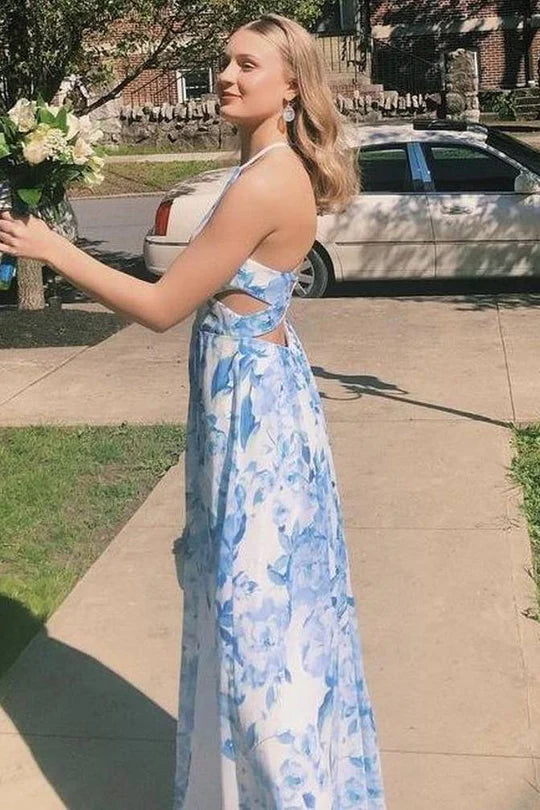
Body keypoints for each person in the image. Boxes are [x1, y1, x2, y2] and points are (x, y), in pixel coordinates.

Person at [0, 13, 387, 809]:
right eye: (223, 61)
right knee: (250, 619)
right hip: (244, 405)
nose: (227, 76)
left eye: (248, 64)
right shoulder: (260, 166)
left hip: (255, 420)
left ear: (291, 85)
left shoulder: (267, 179)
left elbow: (163, 305)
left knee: (259, 633)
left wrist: (55, 251)